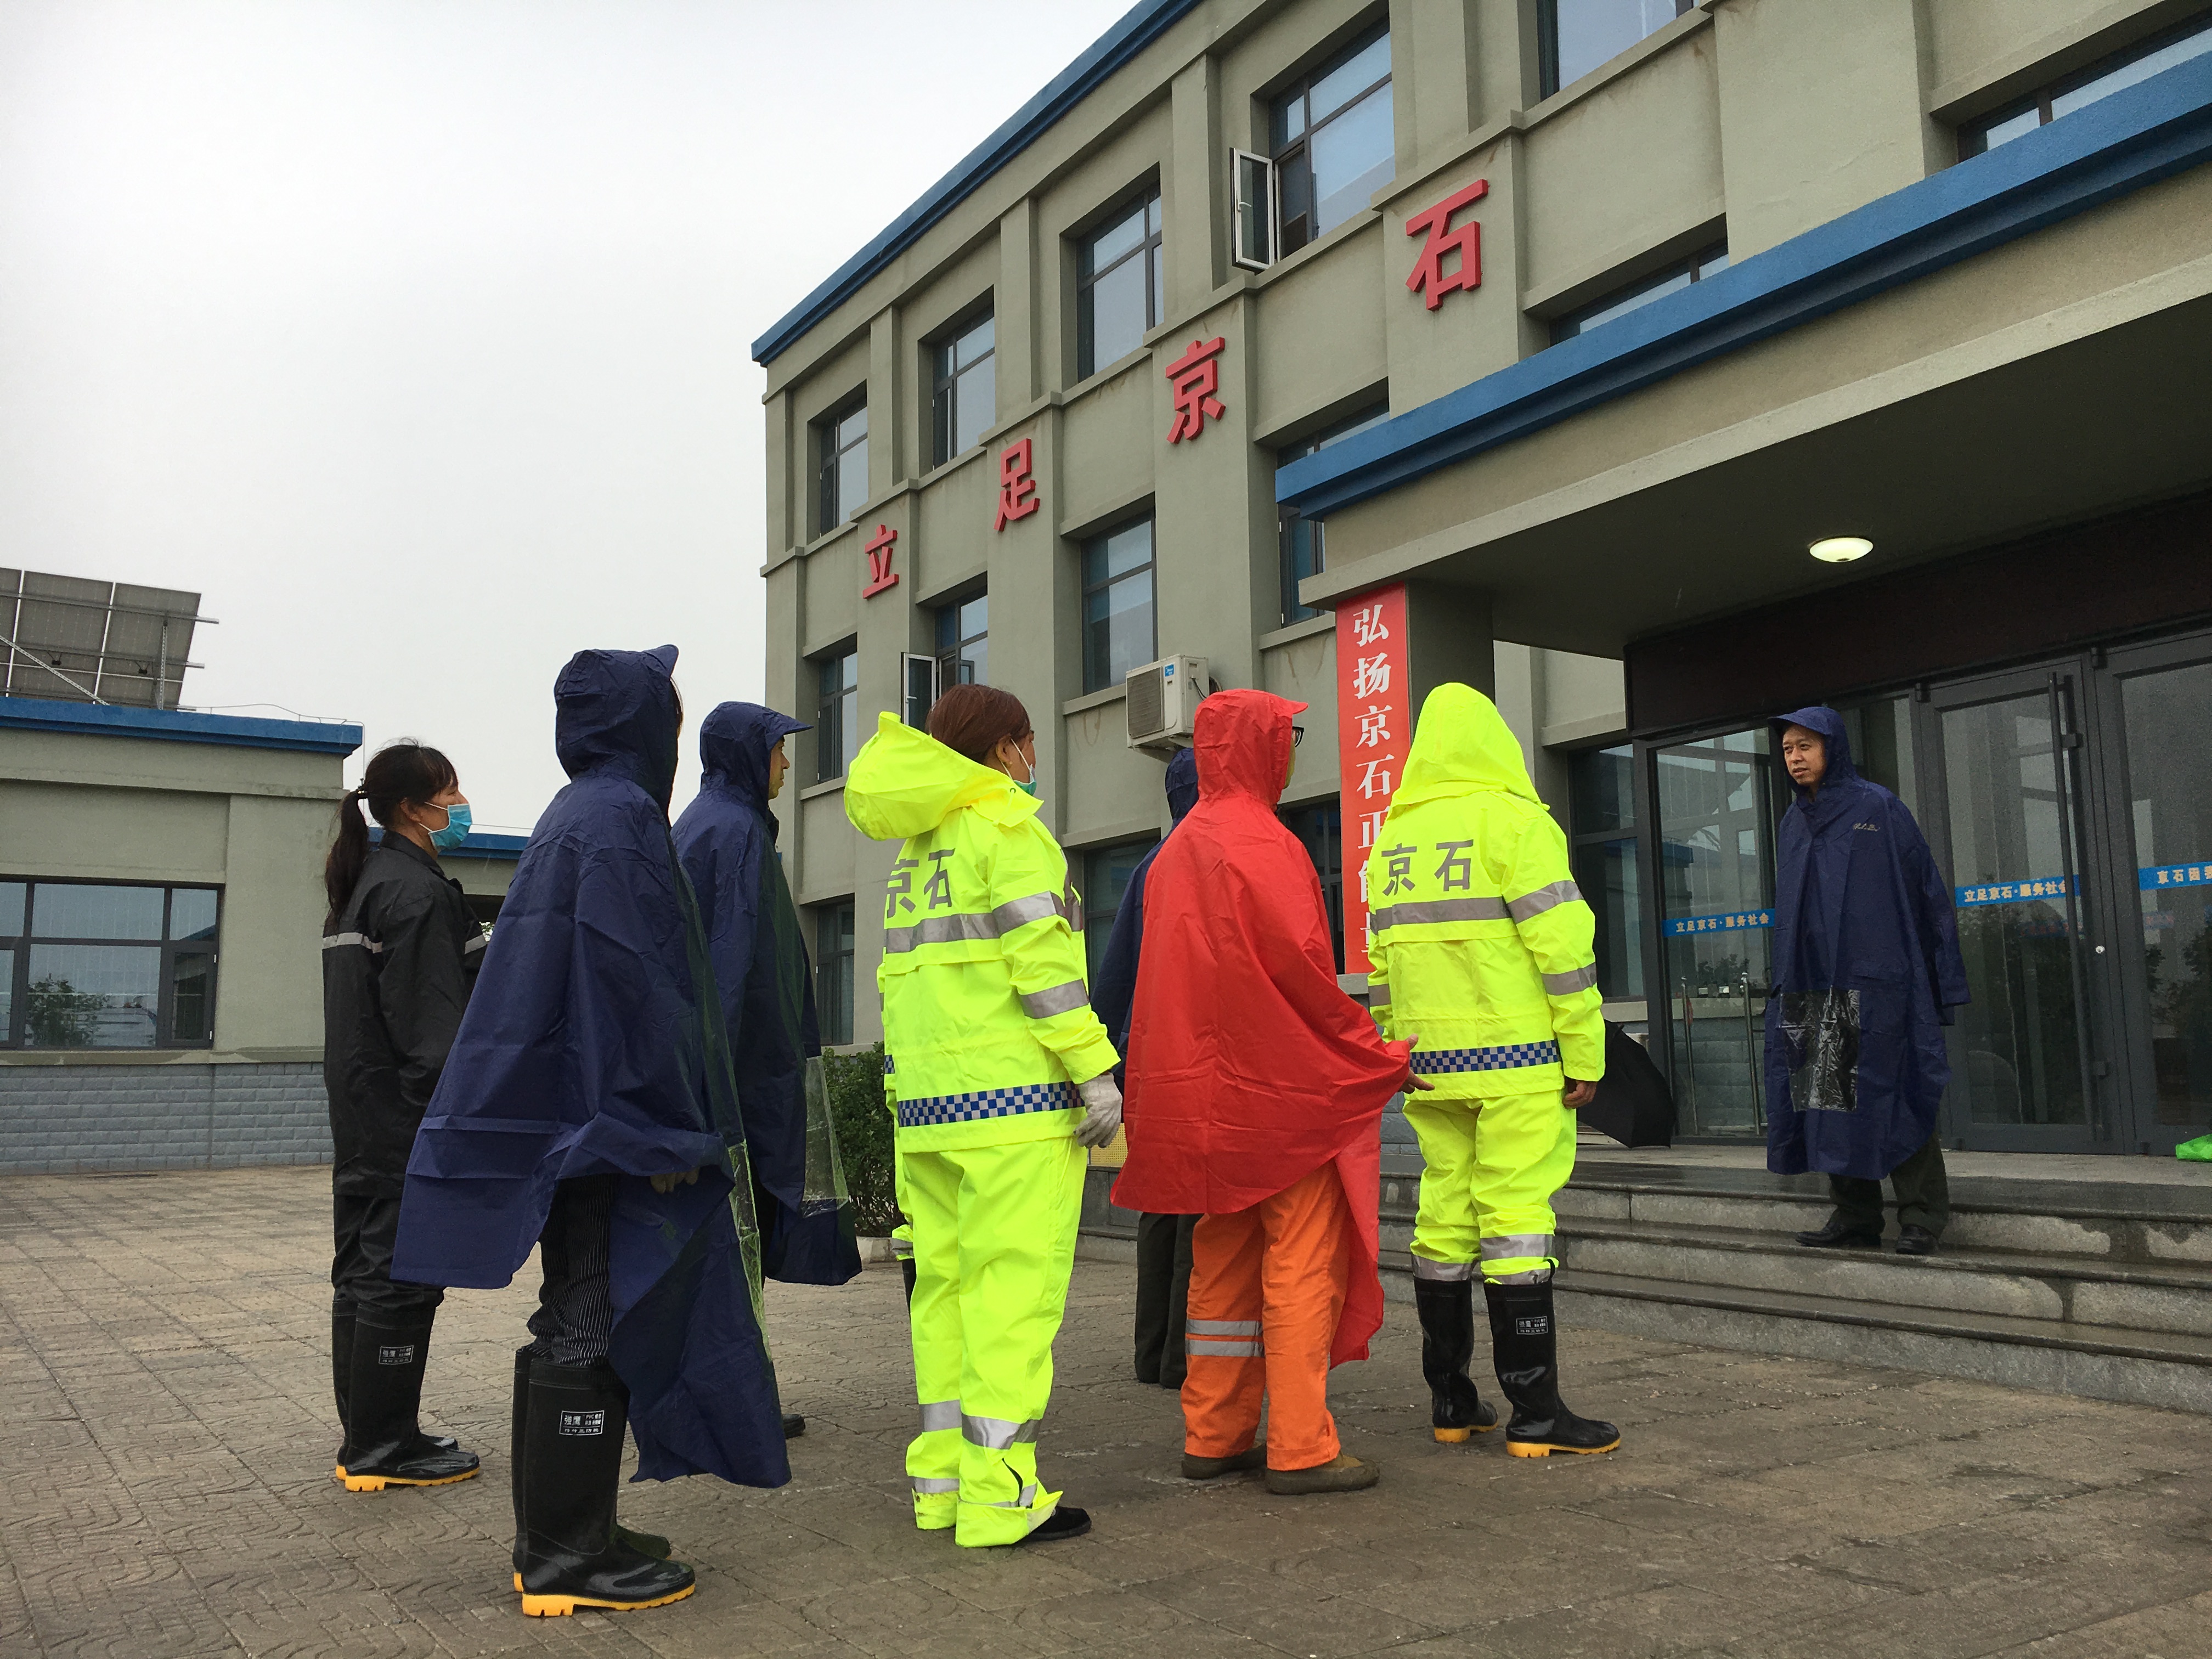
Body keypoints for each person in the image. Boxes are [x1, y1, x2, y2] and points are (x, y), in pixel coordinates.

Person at [394, 645, 789, 1619]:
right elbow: (631, 986)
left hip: (575, 1114)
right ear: (642, 723)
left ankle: (574, 1534)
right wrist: (663, 1133)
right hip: (607, 1123)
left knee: (579, 1307)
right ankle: (564, 1554)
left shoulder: (582, 812)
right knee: (591, 1316)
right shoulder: (618, 820)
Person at [1115, 690, 1424, 1496]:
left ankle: (1213, 1435)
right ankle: (1301, 1446)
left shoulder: (1174, 855)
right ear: (1260, 747)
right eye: (1288, 736)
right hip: (1282, 1102)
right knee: (1300, 1268)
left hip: (1204, 1110)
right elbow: (1304, 982)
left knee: (1221, 1268)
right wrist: (1377, 1055)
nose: (1292, 750)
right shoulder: (1270, 845)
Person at [843, 684, 1121, 1548]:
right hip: (1014, 1111)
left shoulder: (917, 851)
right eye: (1027, 741)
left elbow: (899, 986)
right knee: (1011, 1302)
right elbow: (1045, 969)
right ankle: (1002, 1496)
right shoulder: (1009, 832)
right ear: (1004, 749)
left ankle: (943, 1488)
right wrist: (1096, 1070)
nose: (1031, 757)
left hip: (930, 1111)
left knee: (946, 1301)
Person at [1364, 683, 1620, 1458]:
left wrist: (1395, 1050)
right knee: (1515, 1221)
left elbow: (1381, 966)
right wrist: (1585, 1053)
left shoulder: (1392, 841)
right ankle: (1536, 1413)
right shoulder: (1516, 822)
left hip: (1431, 1066)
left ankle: (1452, 1401)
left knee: (1443, 1220)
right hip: (1519, 1060)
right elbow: (1563, 954)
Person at [674, 700, 864, 1440]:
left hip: (738, 1078)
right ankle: (728, 1401)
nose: (787, 762)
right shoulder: (732, 833)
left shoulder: (719, 825)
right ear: (749, 755)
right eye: (779, 750)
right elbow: (725, 974)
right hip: (739, 1085)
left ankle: (729, 1392)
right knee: (732, 1240)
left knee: (730, 1240)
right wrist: (714, 1095)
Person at [321, 740, 485, 1494]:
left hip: (364, 1118)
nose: (461, 805)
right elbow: (432, 1032)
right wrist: (451, 1124)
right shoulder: (414, 893)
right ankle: (383, 1449)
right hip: (407, 1121)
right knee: (398, 1281)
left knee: (362, 1275)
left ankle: (369, 1436)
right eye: (451, 793)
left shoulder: (365, 884)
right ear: (415, 809)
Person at [1767, 707, 1968, 1256]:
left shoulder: (1878, 807)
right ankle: (1855, 1217)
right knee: (1829, 1100)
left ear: (1833, 747)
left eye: (1805, 746)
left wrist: (1936, 975)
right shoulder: (1792, 823)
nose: (1795, 758)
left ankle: (1922, 1218)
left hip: (1879, 981)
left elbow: (1924, 890)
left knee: (1897, 1091)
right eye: (1787, 749)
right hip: (1813, 980)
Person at [1088, 746, 1200, 1391]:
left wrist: (1109, 1069)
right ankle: (1186, 1356)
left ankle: (1152, 1351)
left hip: (1144, 1065)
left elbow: (1116, 976)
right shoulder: (1208, 856)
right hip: (1194, 1062)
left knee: (1160, 1207)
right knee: (1196, 1213)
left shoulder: (1148, 866)